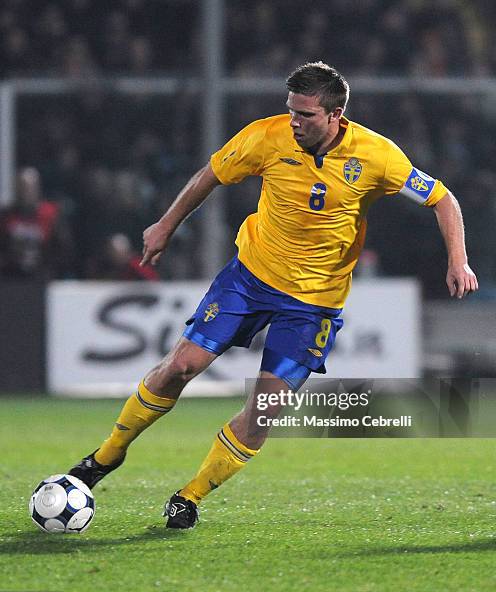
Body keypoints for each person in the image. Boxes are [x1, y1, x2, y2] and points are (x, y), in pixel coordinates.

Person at [68, 62, 478, 529]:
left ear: (335, 115)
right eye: (291, 111)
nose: (294, 122)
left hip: (313, 304)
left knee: (265, 408)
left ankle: (190, 496)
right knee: (180, 366)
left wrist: (458, 260)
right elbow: (210, 174)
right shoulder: (267, 137)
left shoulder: (378, 156)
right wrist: (166, 224)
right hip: (249, 279)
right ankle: (106, 456)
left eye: (305, 114)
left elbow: (443, 198)